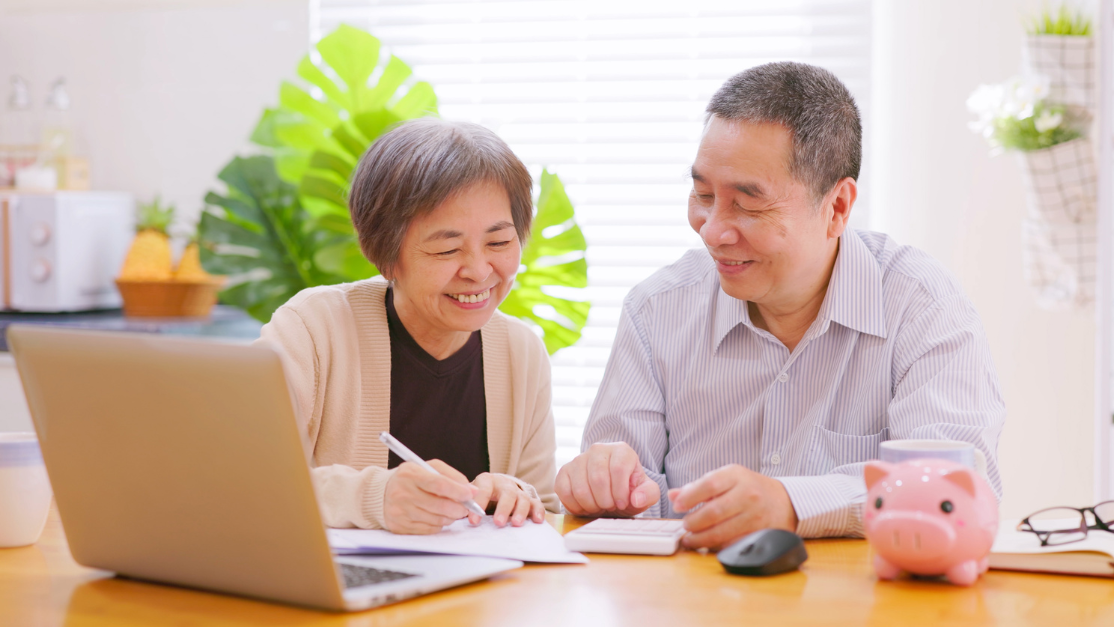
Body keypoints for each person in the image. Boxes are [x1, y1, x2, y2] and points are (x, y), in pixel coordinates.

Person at [555, 61, 1005, 549]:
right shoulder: (656, 310)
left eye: (747, 205)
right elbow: (623, 494)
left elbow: (952, 486)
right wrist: (603, 484)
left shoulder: (920, 305)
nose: (712, 230)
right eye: (703, 194)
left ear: (836, 208)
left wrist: (792, 504)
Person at [257, 118, 558, 535]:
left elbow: (546, 510)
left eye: (499, 242)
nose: (477, 270)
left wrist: (514, 497)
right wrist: (375, 497)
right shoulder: (311, 329)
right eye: (446, 248)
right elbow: (245, 482)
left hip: (479, 596)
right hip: (339, 591)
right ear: (386, 256)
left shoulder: (520, 351)